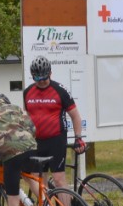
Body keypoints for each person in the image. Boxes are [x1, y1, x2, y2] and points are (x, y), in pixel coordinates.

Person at [22, 56, 85, 198]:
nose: (41, 82)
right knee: (39, 179)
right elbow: (27, 116)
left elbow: (75, 116)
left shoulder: (60, 90)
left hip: (56, 140)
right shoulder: (27, 92)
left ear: (50, 73)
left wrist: (78, 138)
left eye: (44, 78)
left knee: (58, 179)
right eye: (37, 79)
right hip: (36, 141)